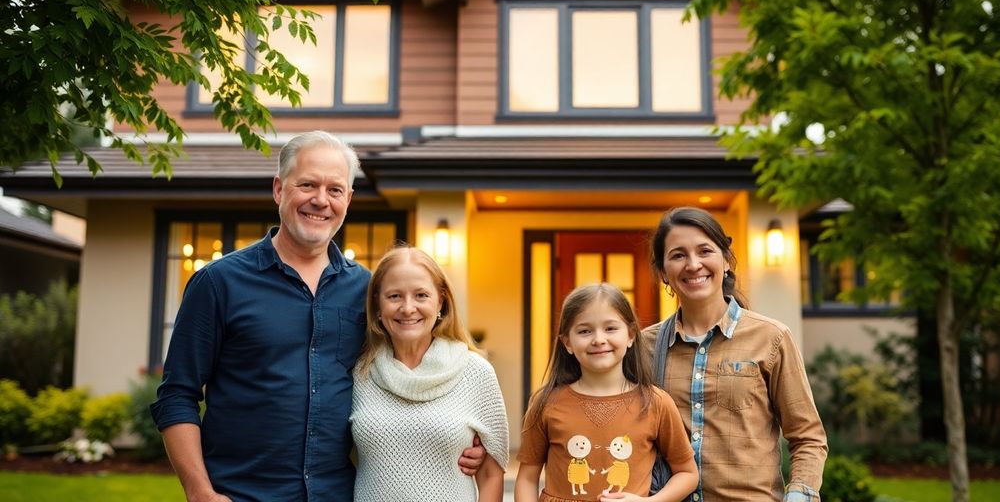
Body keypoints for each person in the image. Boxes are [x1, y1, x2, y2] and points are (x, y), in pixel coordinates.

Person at [149, 131, 483, 502]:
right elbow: (177, 395)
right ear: (279, 189)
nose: (320, 200)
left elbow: (409, 372)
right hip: (243, 493)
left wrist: (463, 436)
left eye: (335, 190)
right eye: (307, 184)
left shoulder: (369, 292)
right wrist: (199, 491)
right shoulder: (218, 283)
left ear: (348, 200)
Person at [644, 207, 828, 501]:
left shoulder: (772, 338)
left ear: (726, 260)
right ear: (663, 272)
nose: (693, 264)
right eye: (678, 255)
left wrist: (799, 495)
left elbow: (808, 438)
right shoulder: (644, 348)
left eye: (705, 251)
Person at [350, 245, 509, 501]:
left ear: (441, 302)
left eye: (421, 295)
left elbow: (492, 475)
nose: (408, 308)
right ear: (377, 305)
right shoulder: (360, 373)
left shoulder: (476, 373)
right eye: (394, 296)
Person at [516, 283, 699, 502]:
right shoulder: (546, 402)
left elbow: (687, 473)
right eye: (585, 331)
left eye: (610, 328)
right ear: (567, 343)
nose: (599, 339)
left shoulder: (655, 403)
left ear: (631, 335)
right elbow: (527, 478)